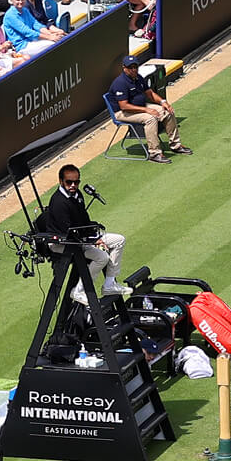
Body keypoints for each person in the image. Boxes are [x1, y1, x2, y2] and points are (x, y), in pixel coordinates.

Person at [33, 163, 126, 295]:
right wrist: (93, 241)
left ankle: (109, 284)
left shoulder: (77, 195)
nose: (73, 185)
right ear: (61, 181)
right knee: (102, 257)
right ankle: (79, 290)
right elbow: (68, 232)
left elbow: (83, 220)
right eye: (69, 182)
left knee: (119, 240)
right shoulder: (59, 202)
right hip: (62, 243)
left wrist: (95, 235)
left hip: (80, 238)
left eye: (76, 182)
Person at [107, 55, 186, 163]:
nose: (134, 69)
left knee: (168, 111)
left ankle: (176, 145)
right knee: (150, 118)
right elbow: (124, 106)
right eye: (131, 67)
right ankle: (154, 153)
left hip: (140, 106)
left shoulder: (138, 78)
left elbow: (150, 93)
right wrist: (146, 110)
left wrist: (163, 102)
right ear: (124, 68)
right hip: (123, 112)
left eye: (135, 67)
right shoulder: (120, 83)